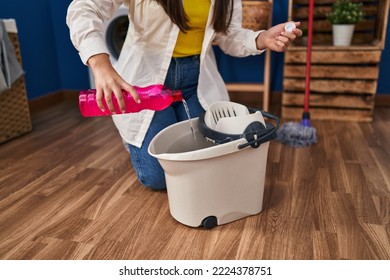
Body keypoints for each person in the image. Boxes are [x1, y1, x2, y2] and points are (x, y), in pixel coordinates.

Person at [66, 0, 302, 190]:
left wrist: (261, 38)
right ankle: (138, 139)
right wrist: (100, 63)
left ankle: (164, 126)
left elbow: (228, 35)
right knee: (158, 178)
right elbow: (83, 8)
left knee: (212, 164)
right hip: (145, 88)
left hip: (196, 84)